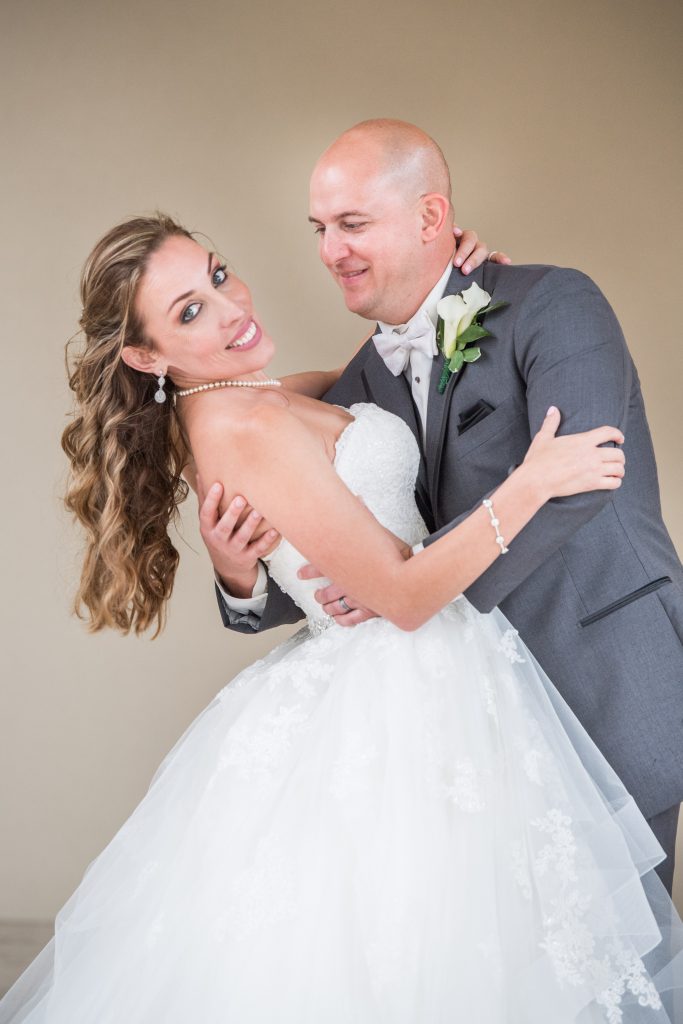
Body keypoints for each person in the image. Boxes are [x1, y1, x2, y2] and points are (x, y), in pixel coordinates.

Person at [1, 212, 681, 1023]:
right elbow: (399, 596)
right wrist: (530, 483)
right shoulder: (243, 424)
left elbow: (360, 378)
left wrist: (447, 289)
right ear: (145, 355)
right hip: (402, 687)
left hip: (434, 669)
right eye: (189, 312)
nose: (230, 308)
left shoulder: (244, 397)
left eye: (217, 276)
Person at [207, 119, 683, 897]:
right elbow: (333, 568)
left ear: (432, 220)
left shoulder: (552, 301)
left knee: (620, 985)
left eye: (353, 224)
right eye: (321, 229)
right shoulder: (353, 388)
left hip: (602, 677)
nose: (331, 251)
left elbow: (584, 479)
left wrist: (406, 583)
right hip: (462, 736)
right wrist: (238, 579)